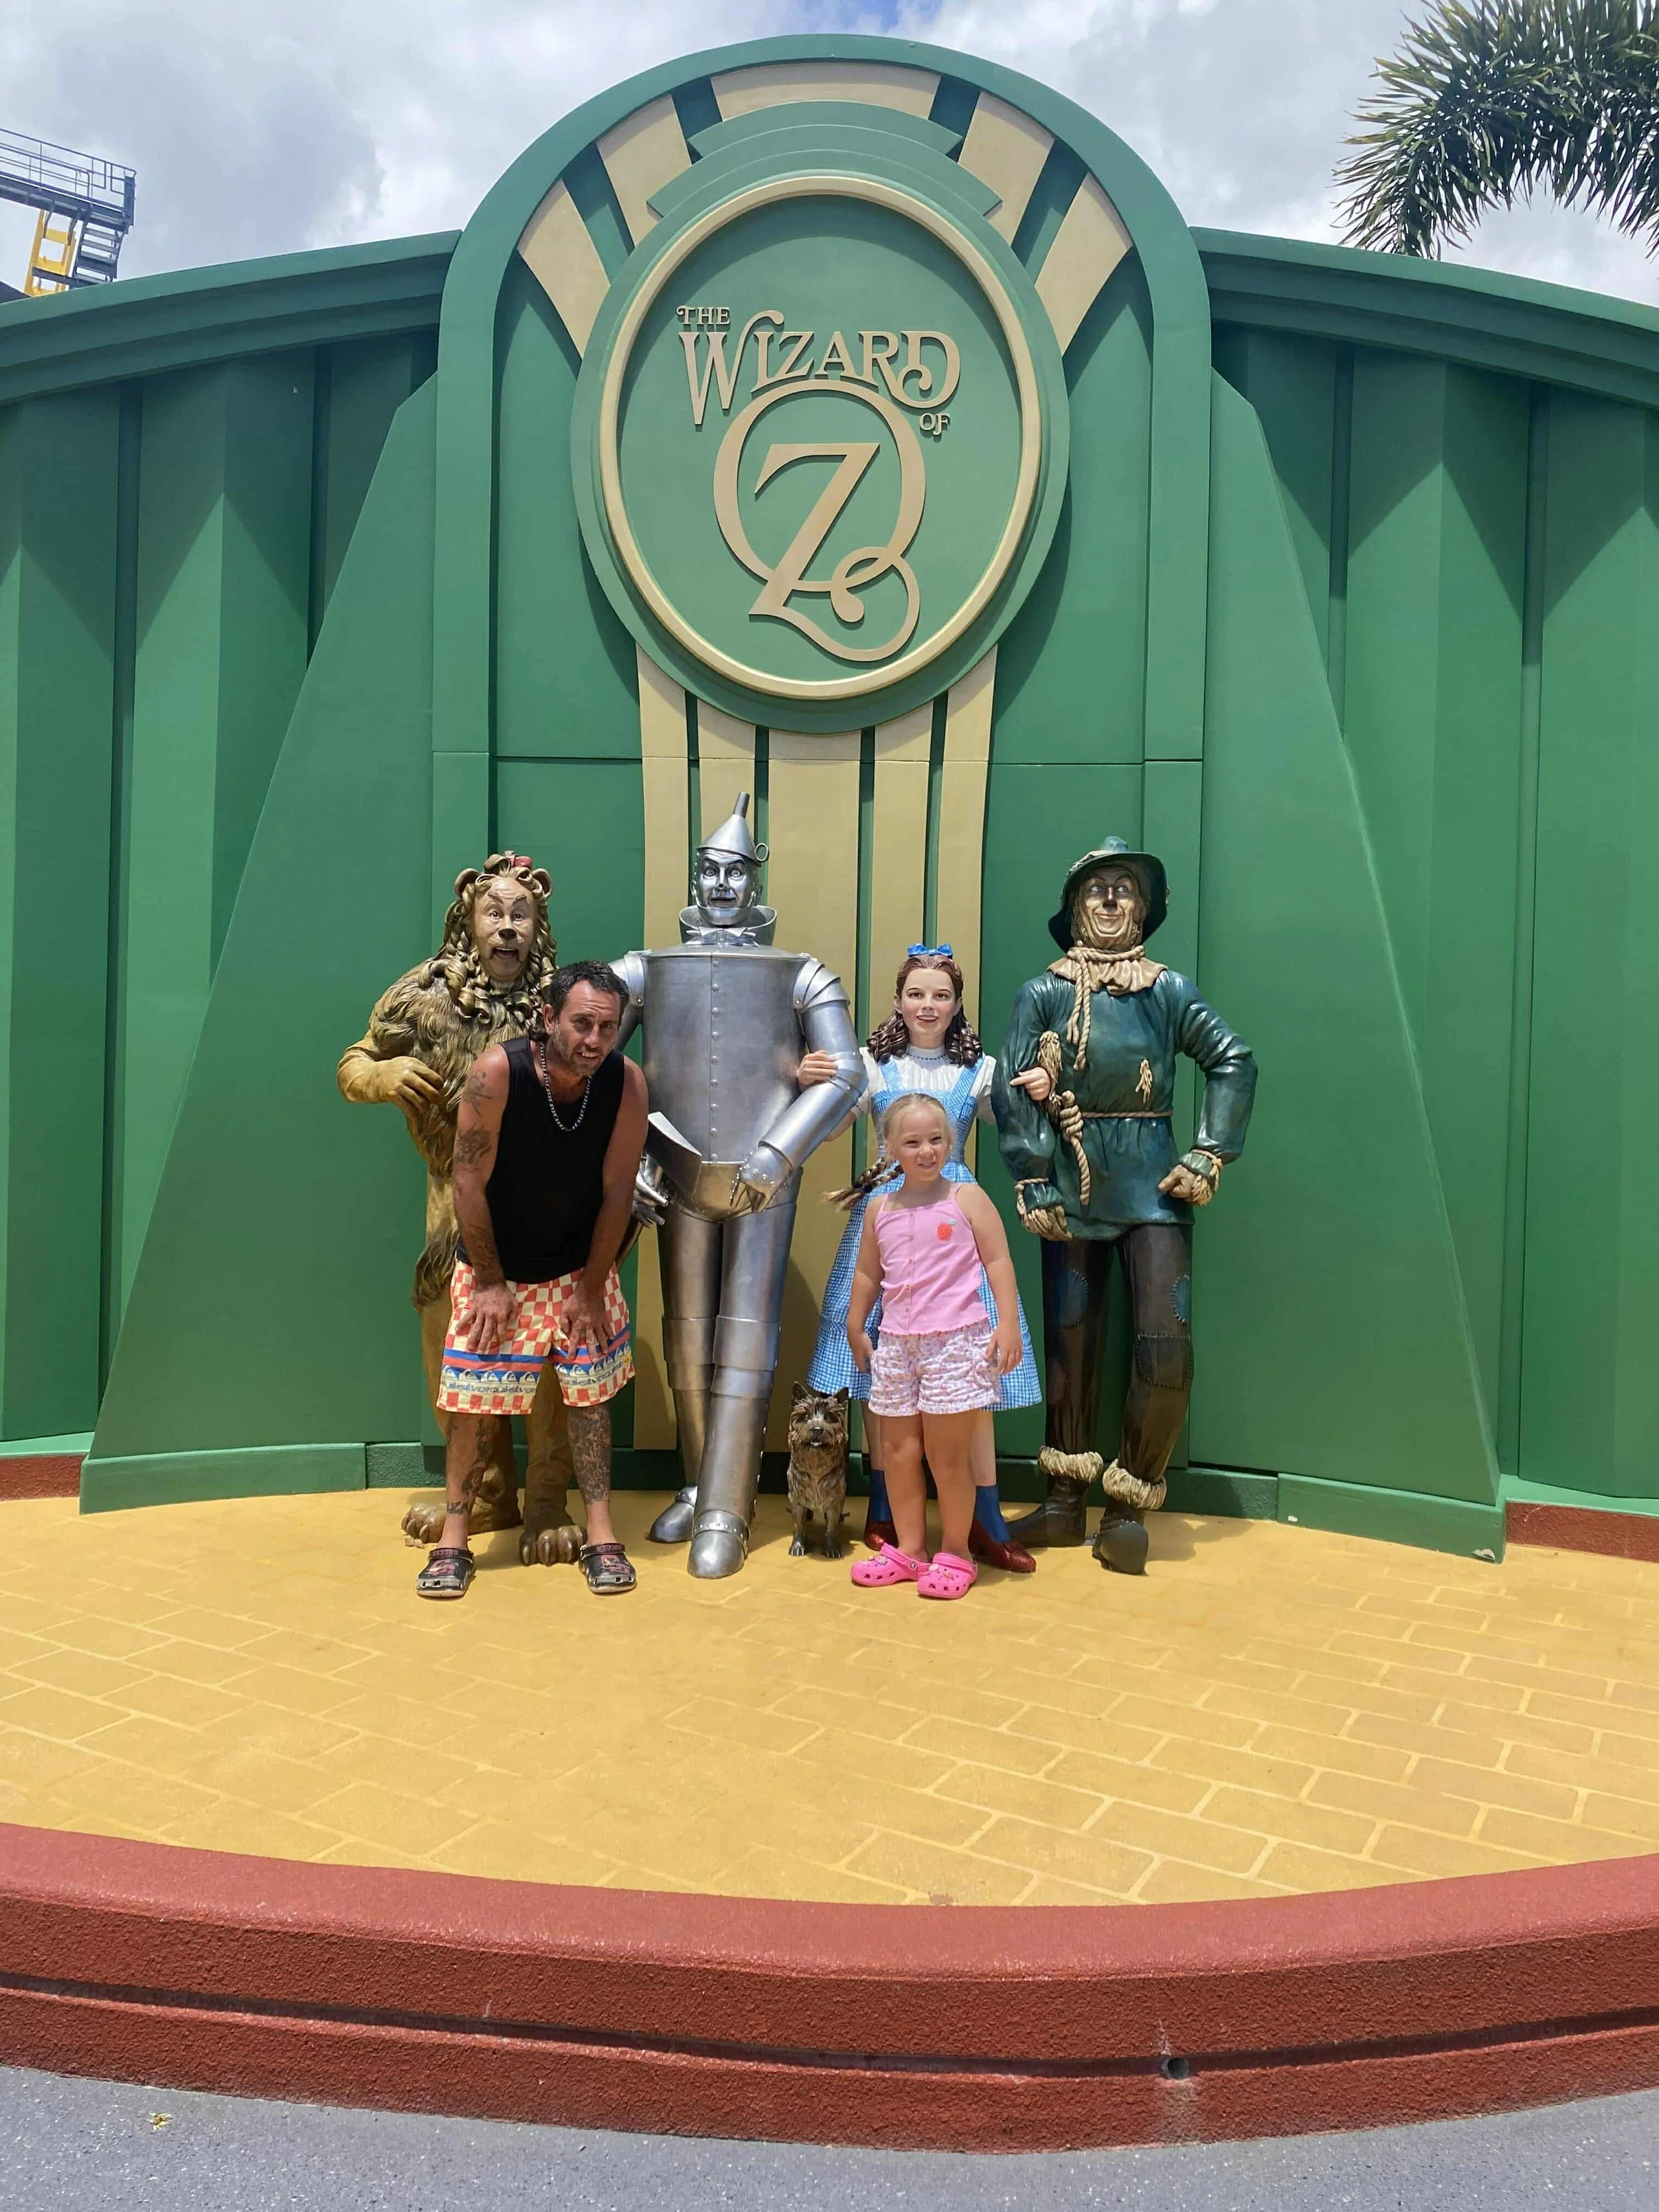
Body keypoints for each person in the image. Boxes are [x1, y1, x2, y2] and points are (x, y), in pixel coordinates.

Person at [607, 792, 865, 1580]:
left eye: (734, 872)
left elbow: (846, 1072)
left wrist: (778, 1153)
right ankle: (695, 1479)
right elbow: (596, 1072)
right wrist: (634, 1163)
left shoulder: (803, 972)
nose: (720, 886)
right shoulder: (643, 969)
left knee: (745, 1336)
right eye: (708, 871)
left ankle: (728, 1505)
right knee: (687, 1332)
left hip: (764, 1178)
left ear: (756, 881)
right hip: (675, 1168)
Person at [993, 836, 1256, 1576]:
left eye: (1124, 889)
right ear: (1075, 907)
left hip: (1153, 1186)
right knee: (1070, 1339)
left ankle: (1131, 1504)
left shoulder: (1167, 989)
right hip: (1074, 1188)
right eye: (1096, 889)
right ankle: (1063, 1497)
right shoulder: (1043, 992)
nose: (1110, 900)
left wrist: (1209, 1152)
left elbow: (1231, 1059)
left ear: (1143, 908)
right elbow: (1011, 1089)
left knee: (1164, 1350)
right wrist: (1032, 1175)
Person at [338, 852, 577, 1556]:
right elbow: (352, 1060)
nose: (506, 928)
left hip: (542, 1203)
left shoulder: (559, 1004)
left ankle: (546, 1498)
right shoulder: (422, 995)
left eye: (520, 915)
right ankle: (489, 1489)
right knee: (454, 1347)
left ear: (539, 927)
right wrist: (381, 1072)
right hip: (450, 1206)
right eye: (493, 914)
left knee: (552, 1351)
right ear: (466, 922)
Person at [800, 948, 1041, 1572]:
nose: (927, 1006)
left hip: (955, 1230)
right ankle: (886, 1511)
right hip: (888, 1215)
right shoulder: (871, 1065)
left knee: (969, 1381)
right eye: (916, 994)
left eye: (940, 995)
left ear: (956, 1004)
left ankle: (984, 1522)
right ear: (899, 999)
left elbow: (1018, 1124)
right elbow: (827, 1127)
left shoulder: (981, 1070)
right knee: (884, 1377)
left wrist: (1039, 1086)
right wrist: (810, 1085)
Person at [416, 961, 648, 1601]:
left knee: (589, 1396)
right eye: (582, 1023)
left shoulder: (625, 1084)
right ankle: (455, 1541)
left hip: (578, 1269)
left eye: (608, 1025)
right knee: (471, 1402)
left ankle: (601, 1534)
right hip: (498, 1272)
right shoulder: (498, 1073)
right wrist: (489, 1281)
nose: (595, 1039)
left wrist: (592, 1286)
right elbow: (467, 1179)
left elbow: (618, 1191)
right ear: (548, 1020)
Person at [845, 1093, 1023, 1600]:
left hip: (955, 1343)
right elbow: (867, 1273)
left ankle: (957, 1552)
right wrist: (858, 1325)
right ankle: (911, 1549)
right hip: (898, 1344)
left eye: (936, 1139)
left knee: (949, 1457)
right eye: (913, 1141)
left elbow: (999, 1261)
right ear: (891, 1148)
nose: (926, 1151)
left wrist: (1007, 1323)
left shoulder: (965, 1198)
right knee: (899, 1451)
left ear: (950, 1142)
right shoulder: (880, 1208)